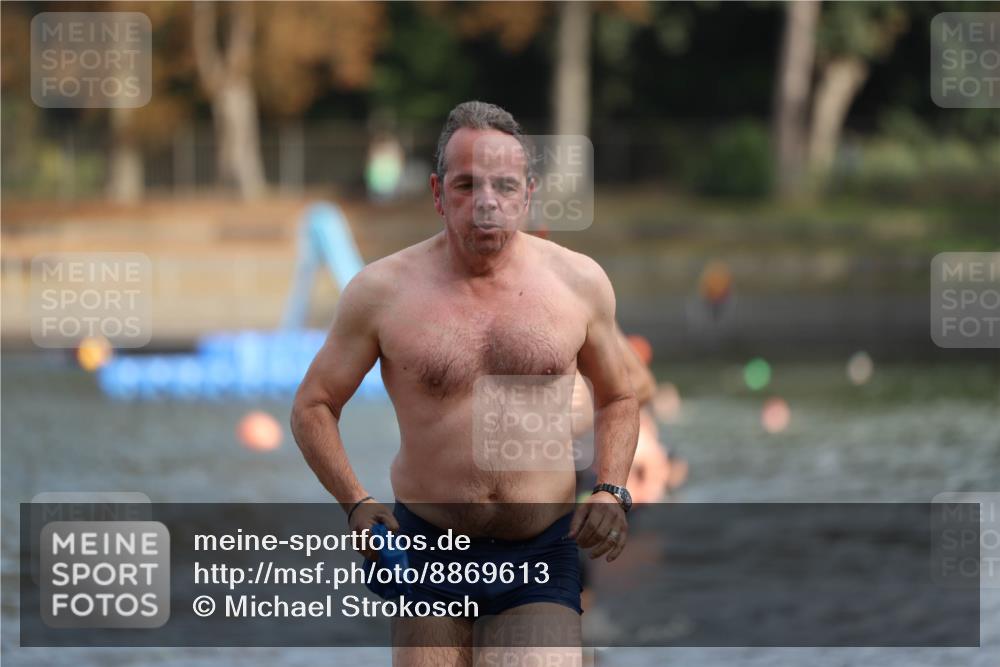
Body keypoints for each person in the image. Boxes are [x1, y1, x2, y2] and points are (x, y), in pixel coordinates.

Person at [291, 101, 640, 666]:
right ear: (437, 193)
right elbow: (313, 404)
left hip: (540, 548)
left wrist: (611, 489)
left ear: (527, 194)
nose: (486, 203)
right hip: (428, 547)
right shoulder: (381, 292)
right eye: (466, 185)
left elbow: (621, 395)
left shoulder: (578, 283)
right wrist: (355, 503)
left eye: (504, 186)